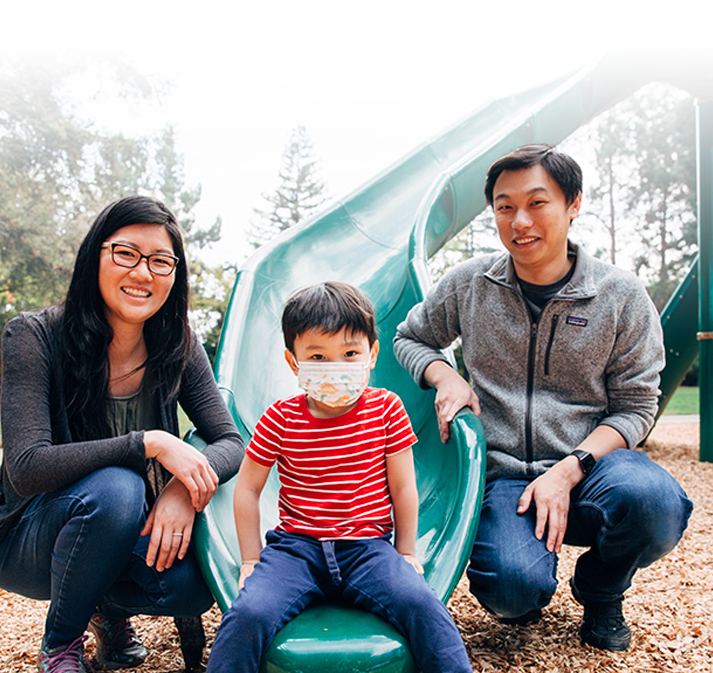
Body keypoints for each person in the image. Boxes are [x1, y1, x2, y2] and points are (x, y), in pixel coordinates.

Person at [394, 144, 693, 653]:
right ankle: (529, 582)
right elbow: (410, 337)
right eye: (505, 207)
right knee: (512, 597)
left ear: (573, 203)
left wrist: (570, 467)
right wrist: (445, 375)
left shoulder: (619, 295)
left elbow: (637, 406)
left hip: (594, 468)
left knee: (655, 505)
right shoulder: (470, 284)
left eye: (537, 203)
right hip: (506, 475)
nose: (520, 221)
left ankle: (600, 588)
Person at [0, 195, 245, 673]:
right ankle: (61, 647)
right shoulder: (34, 336)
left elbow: (230, 441)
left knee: (191, 587)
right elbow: (29, 466)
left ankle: (106, 610)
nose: (143, 273)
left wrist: (180, 491)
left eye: (161, 261)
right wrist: (149, 442)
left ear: (175, 275)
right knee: (118, 488)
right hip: (26, 537)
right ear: (95, 254)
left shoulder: (178, 344)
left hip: (116, 529)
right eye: (125, 253)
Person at [204, 281, 474, 673]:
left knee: (421, 604)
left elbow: (403, 488)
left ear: (371, 354)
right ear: (294, 362)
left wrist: (407, 551)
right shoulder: (280, 418)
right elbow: (246, 489)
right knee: (249, 614)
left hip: (367, 548)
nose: (337, 368)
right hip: (297, 548)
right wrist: (249, 558)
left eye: (350, 354)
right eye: (318, 356)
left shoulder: (385, 409)